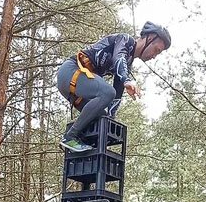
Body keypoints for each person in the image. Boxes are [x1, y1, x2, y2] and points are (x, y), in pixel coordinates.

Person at [57, 21, 171, 153]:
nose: (154, 56)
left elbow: (116, 95)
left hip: (77, 87)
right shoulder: (125, 40)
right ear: (150, 38)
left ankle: (76, 145)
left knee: (101, 117)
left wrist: (109, 120)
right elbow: (119, 58)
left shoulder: (127, 64)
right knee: (107, 93)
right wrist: (127, 79)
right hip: (70, 71)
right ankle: (70, 137)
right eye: (156, 50)